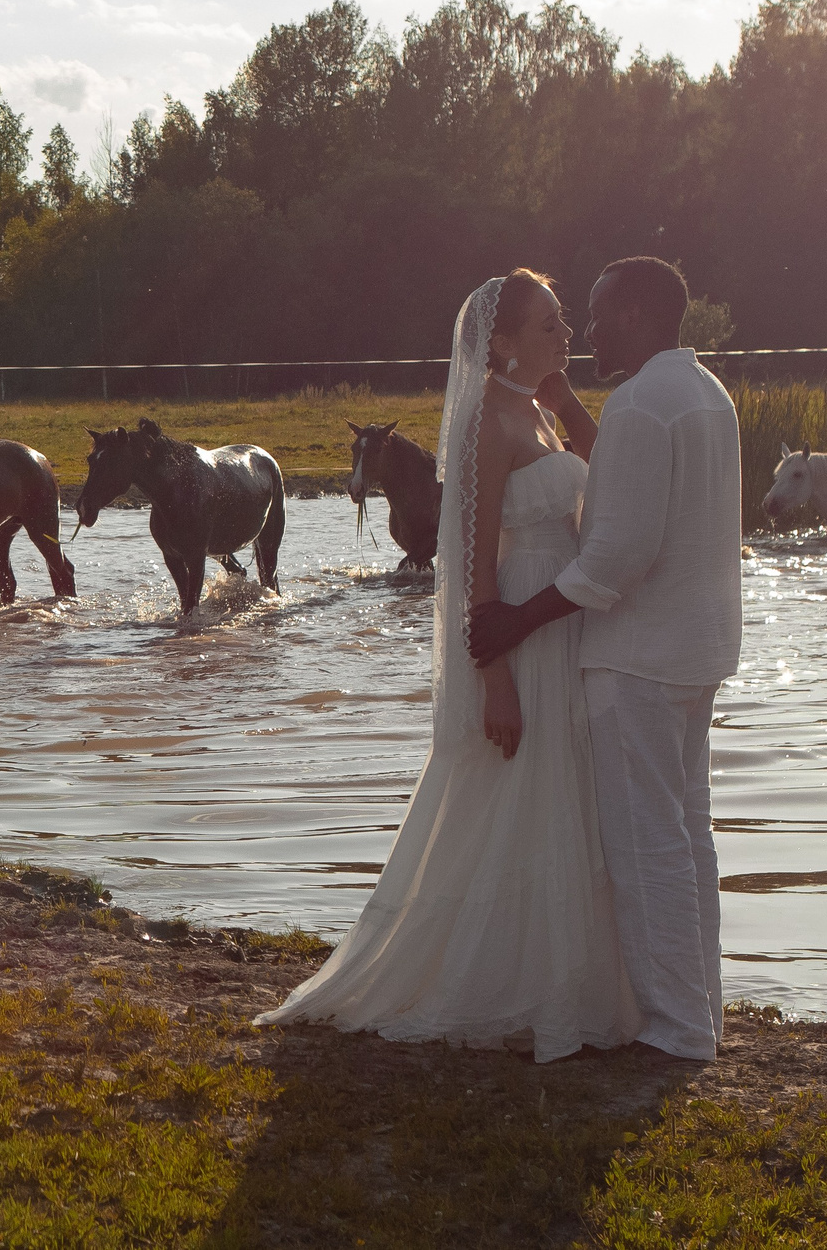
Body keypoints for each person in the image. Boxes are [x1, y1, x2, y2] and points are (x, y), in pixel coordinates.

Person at [256, 270, 638, 1061]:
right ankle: (482, 976)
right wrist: (492, 670)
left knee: (560, 791)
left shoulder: (539, 410)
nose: (566, 335)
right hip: (518, 624)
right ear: (499, 342)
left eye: (564, 322)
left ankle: (560, 973)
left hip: (561, 623)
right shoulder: (482, 425)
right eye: (549, 325)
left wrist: (567, 400)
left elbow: (608, 476)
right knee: (510, 787)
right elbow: (470, 560)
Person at [468, 255, 743, 1061]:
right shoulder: (703, 393)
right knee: (690, 835)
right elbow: (622, 491)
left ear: (634, 313)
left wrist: (518, 620)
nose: (585, 331)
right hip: (698, 651)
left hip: (638, 659)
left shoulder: (639, 406)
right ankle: (702, 1009)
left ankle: (675, 1028)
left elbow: (614, 555)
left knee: (645, 841)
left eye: (594, 312)